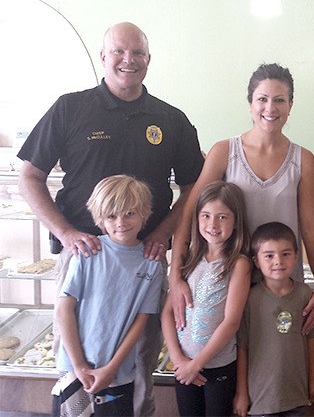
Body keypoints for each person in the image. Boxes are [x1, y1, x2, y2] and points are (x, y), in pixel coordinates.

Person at [17, 22, 204, 415]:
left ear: (148, 61)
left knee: (139, 362)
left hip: (145, 263)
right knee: (75, 362)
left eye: (137, 53)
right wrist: (65, 232)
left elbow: (194, 188)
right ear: (103, 57)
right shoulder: (70, 107)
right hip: (82, 255)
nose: (128, 60)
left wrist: (163, 233)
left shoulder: (170, 119)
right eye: (119, 51)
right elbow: (30, 176)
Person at [168, 63, 314, 336]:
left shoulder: (303, 159)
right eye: (262, 99)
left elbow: (311, 227)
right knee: (232, 360)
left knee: (281, 360)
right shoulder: (224, 152)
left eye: (279, 100)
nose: (270, 108)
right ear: (250, 104)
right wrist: (176, 275)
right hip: (229, 277)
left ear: (290, 105)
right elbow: (190, 213)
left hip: (281, 278)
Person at [52, 175, 164, 416]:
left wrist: (112, 368)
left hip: (119, 374)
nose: (121, 222)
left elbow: (141, 322)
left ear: (144, 213)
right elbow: (64, 309)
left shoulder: (152, 264)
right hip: (74, 370)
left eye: (130, 213)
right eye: (112, 216)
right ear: (100, 218)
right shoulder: (87, 253)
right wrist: (80, 365)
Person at [161, 182, 251, 416]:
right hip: (184, 367)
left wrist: (196, 364)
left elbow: (231, 322)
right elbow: (167, 313)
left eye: (222, 217)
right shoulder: (190, 259)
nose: (213, 224)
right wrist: (179, 359)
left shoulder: (238, 264)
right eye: (206, 215)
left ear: (236, 221)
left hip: (217, 368)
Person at [233, 222, 314, 416]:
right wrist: (241, 393)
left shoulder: (304, 294)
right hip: (260, 398)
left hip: (297, 396)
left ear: (296, 256)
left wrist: (312, 380)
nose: (278, 261)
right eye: (269, 256)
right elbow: (242, 347)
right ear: (256, 260)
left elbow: (310, 341)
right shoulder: (249, 298)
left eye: (285, 254)